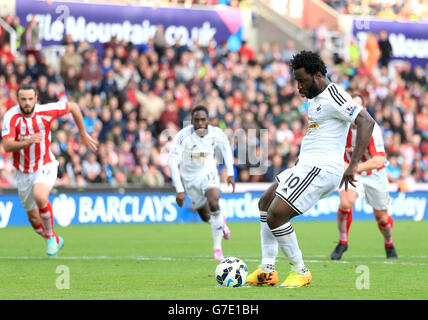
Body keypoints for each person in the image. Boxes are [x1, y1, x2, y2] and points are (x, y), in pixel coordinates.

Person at [246, 51, 376, 288]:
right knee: (264, 203)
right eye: (296, 81)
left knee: (276, 215)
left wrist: (354, 164)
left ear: (318, 75)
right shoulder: (315, 99)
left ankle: (300, 271)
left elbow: (366, 121)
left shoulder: (334, 95)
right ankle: (267, 270)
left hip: (322, 168)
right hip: (306, 165)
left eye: (302, 81)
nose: (298, 87)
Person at [1, 84, 98, 256]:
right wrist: (28, 141)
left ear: (36, 98)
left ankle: (51, 238)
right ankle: (51, 237)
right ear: (18, 100)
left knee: (40, 196)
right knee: (33, 219)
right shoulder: (11, 116)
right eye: (23, 99)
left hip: (44, 164)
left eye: (31, 99)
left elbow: (74, 107)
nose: (27, 103)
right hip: (23, 172)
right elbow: (7, 145)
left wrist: (83, 133)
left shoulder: (46, 111)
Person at [331, 94, 398, 260]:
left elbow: (378, 160)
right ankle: (343, 242)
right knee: (345, 203)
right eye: (351, 106)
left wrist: (352, 168)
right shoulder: (340, 127)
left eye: (358, 107)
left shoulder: (372, 128)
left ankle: (389, 243)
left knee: (382, 218)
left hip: (374, 174)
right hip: (352, 173)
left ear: (364, 110)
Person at [169, 105, 235, 260]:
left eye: (203, 120)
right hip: (190, 178)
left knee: (213, 201)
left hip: (208, 172)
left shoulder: (216, 133)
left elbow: (226, 149)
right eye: (196, 120)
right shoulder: (183, 136)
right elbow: (172, 162)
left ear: (208, 120)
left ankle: (217, 249)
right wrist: (179, 189)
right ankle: (221, 223)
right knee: (206, 216)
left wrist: (230, 173)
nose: (200, 123)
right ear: (191, 120)